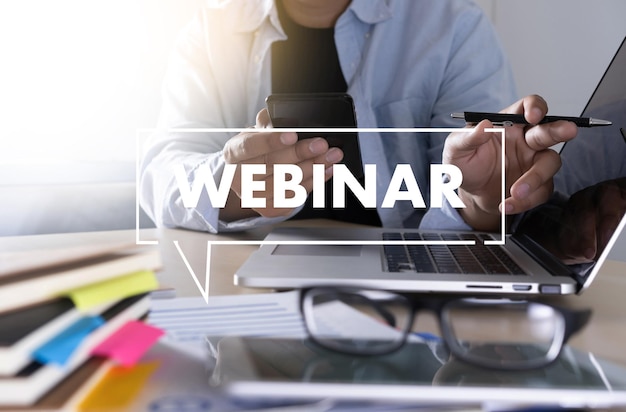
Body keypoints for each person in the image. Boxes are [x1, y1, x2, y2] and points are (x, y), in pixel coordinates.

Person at [140, 0, 577, 233]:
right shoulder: (210, 28)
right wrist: (231, 186)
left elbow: (481, 191)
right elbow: (161, 169)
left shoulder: (452, 26)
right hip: (247, 277)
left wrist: (483, 199)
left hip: (411, 284)